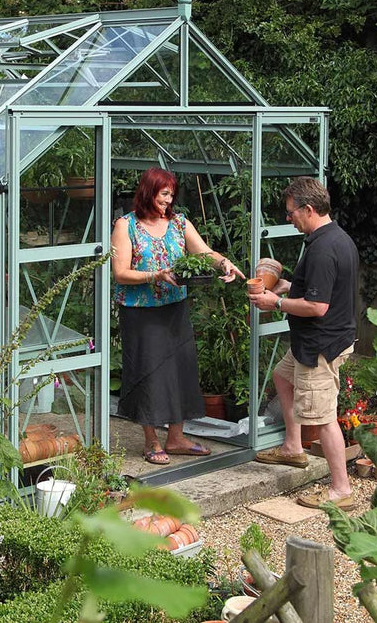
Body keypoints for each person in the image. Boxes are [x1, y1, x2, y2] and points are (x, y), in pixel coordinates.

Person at [111, 167, 245, 465]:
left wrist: (225, 263)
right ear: (149, 192)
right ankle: (150, 441)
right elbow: (120, 273)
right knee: (148, 372)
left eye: (171, 194)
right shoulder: (126, 225)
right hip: (140, 313)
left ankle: (176, 438)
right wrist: (155, 275)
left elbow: (203, 252)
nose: (168, 200)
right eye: (164, 194)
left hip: (175, 307)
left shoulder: (179, 223)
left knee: (181, 369)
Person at [250, 177, 358, 511]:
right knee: (283, 377)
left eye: (291, 212)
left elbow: (318, 307)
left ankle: (341, 490)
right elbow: (318, 289)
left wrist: (275, 303)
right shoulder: (332, 237)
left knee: (323, 418)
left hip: (320, 347)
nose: (288, 218)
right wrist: (288, 285)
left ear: (308, 209)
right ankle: (292, 448)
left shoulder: (325, 249)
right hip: (313, 341)